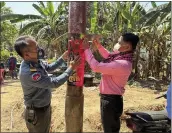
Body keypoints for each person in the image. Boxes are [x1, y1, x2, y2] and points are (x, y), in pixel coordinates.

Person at [14, 35, 80, 132]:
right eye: (36, 48)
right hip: (37, 112)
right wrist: (70, 69)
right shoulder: (28, 72)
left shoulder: (35, 62)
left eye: (37, 46)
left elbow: (49, 67)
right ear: (26, 54)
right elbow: (54, 83)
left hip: (44, 108)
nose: (39, 49)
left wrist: (62, 58)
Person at [83, 33, 139, 133]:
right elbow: (108, 55)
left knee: (110, 130)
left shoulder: (122, 64)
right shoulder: (122, 56)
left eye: (119, 42)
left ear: (127, 46)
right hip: (112, 100)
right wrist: (98, 46)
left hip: (110, 102)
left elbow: (96, 66)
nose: (117, 44)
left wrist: (86, 49)